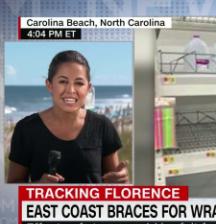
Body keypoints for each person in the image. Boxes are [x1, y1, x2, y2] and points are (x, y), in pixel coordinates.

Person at [7, 50, 129, 183]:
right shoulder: (26, 129)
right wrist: (36, 188)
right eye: (63, 81)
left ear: (88, 88)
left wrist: (121, 182)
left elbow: (115, 190)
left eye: (79, 83)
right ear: (49, 85)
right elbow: (13, 190)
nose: (71, 90)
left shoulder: (102, 126)